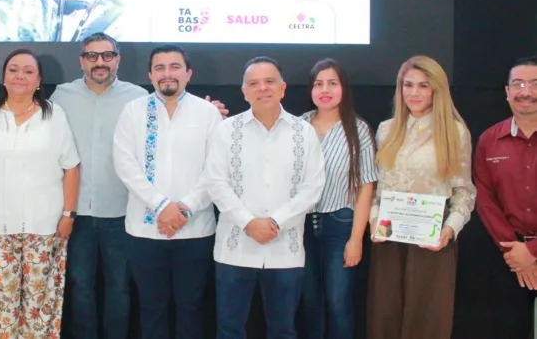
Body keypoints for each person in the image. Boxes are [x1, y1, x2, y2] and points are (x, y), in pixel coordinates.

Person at [202, 56, 326, 339]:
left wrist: (275, 222)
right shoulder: (226, 130)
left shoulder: (304, 132)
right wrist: (249, 222)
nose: (262, 88)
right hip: (235, 249)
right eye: (254, 83)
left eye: (269, 81)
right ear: (244, 92)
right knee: (230, 329)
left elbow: (313, 187)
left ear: (283, 88)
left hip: (286, 251)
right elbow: (216, 183)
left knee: (283, 330)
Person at [0, 49, 80, 338]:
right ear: (3, 77)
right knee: (3, 305)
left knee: (40, 307)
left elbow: (71, 167)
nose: (20, 76)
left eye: (28, 71)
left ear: (39, 80)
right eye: (13, 70)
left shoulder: (54, 114)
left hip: (45, 228)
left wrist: (68, 215)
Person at [112, 44, 222, 339]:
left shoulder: (208, 113)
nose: (167, 74)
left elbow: (216, 170)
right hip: (144, 231)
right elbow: (125, 164)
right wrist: (162, 206)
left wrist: (183, 209)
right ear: (150, 75)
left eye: (175, 67)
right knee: (151, 309)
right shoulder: (133, 111)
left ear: (188, 73)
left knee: (191, 308)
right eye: (159, 68)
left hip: (196, 230)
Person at [366, 55, 475, 339]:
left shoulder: (455, 132)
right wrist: (374, 220)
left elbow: (464, 191)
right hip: (388, 236)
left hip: (432, 241)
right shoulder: (386, 129)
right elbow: (377, 188)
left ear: (437, 89)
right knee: (385, 315)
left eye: (423, 86)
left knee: (427, 320)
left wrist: (449, 230)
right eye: (408, 85)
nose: (414, 93)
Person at [49, 33, 146, 338]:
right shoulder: (61, 96)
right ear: (82, 61)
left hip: (122, 210)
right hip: (75, 212)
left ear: (118, 59)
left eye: (107, 55)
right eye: (92, 56)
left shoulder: (138, 98)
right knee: (80, 286)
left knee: (120, 286)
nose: (99, 62)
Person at [300, 59, 377, 339]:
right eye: (318, 84)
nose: (325, 90)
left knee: (338, 301)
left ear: (344, 88)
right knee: (309, 301)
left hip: (341, 225)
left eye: (332, 83)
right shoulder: (298, 125)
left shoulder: (358, 129)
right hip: (301, 226)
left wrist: (356, 239)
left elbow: (366, 186)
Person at [474, 56, 537, 338]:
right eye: (518, 84)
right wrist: (516, 253)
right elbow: (485, 200)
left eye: (535, 84)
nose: (526, 92)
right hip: (509, 258)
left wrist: (532, 251)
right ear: (507, 92)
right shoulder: (489, 140)